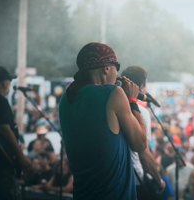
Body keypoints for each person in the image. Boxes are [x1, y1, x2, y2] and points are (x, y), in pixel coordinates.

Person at [59, 42, 147, 199]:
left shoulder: (66, 98)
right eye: (117, 67)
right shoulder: (113, 93)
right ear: (107, 68)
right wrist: (132, 100)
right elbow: (140, 144)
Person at [121, 66, 165, 199]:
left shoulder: (112, 106)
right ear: (141, 87)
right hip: (135, 181)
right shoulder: (140, 111)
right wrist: (158, 179)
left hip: (115, 179)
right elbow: (143, 154)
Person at [0, 66, 32, 200]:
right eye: (9, 81)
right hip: (2, 165)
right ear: (4, 83)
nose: (10, 85)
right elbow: (4, 130)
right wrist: (21, 156)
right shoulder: (1, 101)